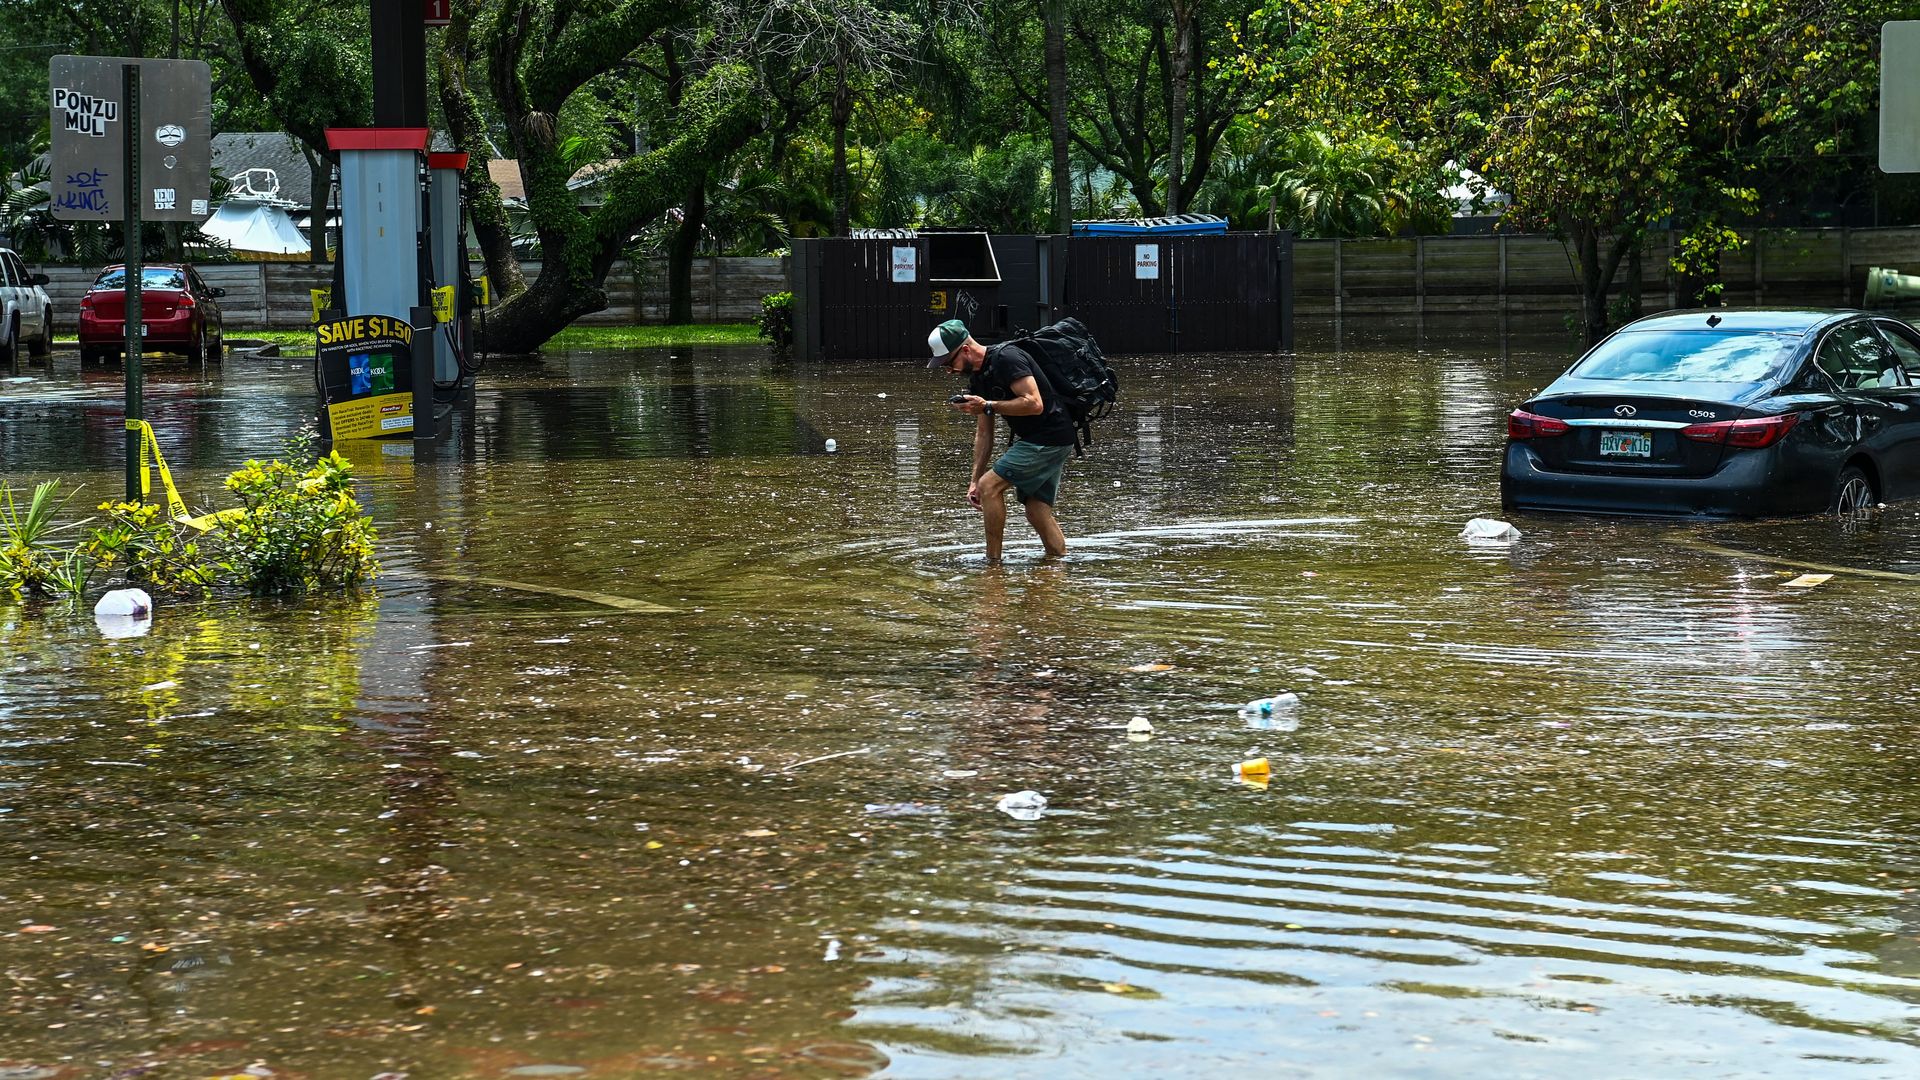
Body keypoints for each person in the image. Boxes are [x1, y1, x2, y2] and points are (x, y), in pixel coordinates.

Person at [927, 318, 1076, 563]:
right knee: (1036, 511)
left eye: (948, 362)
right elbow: (984, 433)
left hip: (1050, 437)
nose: (948, 370)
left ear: (965, 350)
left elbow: (1034, 403)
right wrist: (974, 479)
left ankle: (993, 565)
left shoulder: (1007, 359)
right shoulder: (978, 379)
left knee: (990, 486)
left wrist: (988, 405)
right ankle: (1057, 567)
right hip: (1043, 439)